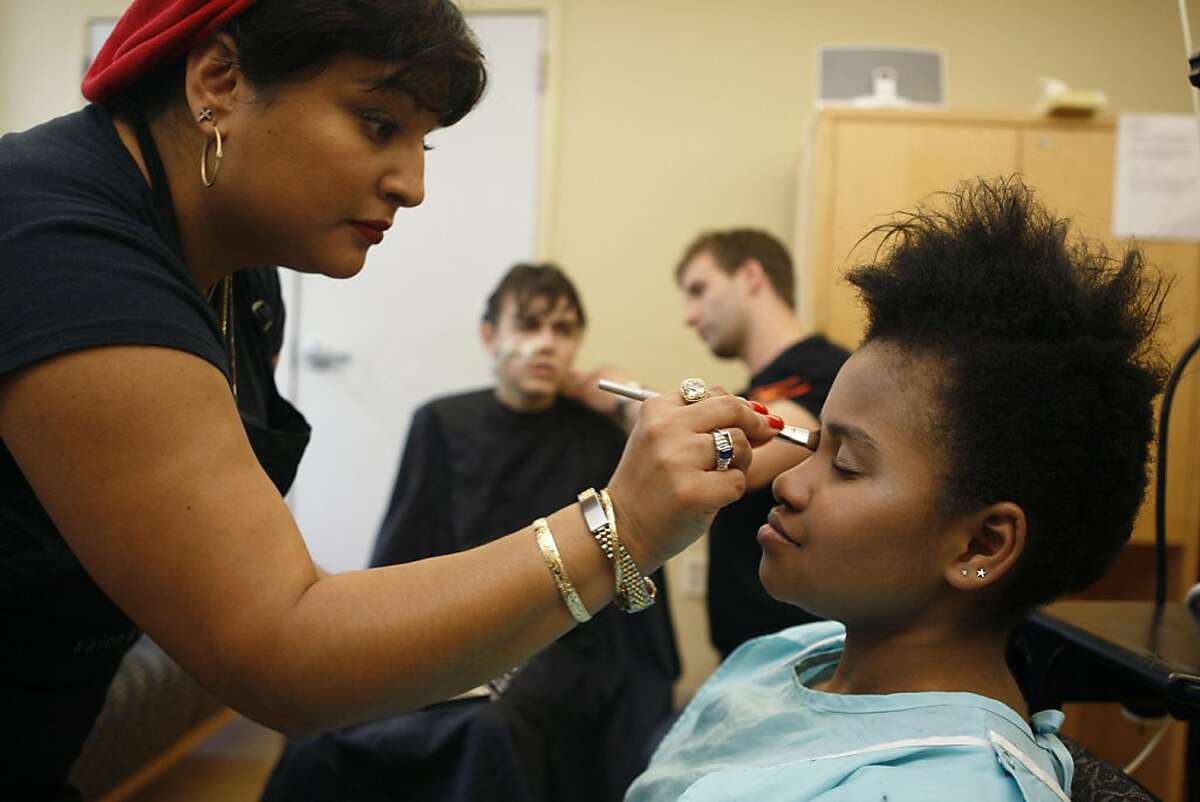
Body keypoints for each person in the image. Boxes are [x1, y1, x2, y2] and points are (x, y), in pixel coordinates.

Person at [0, 1, 780, 798]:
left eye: (423, 141)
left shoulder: (243, 283)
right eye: (378, 124)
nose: (412, 185)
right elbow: (281, 653)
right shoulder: (58, 246)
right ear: (220, 80)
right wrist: (624, 523)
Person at [626, 178, 1169, 801]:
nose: (789, 482)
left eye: (848, 464)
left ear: (980, 546)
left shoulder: (951, 788)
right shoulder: (787, 654)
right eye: (815, 445)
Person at [262, 263, 679, 802]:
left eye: (563, 330)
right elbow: (401, 558)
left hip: (558, 645)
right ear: (490, 336)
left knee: (493, 731)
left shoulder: (598, 438)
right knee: (320, 734)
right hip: (449, 628)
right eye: (528, 325)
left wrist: (625, 404)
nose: (546, 344)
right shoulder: (439, 424)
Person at [676, 229, 850, 657]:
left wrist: (637, 407)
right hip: (748, 655)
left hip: (801, 653)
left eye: (699, 290)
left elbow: (748, 458)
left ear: (751, 275)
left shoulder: (830, 372)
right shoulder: (757, 391)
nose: (690, 315)